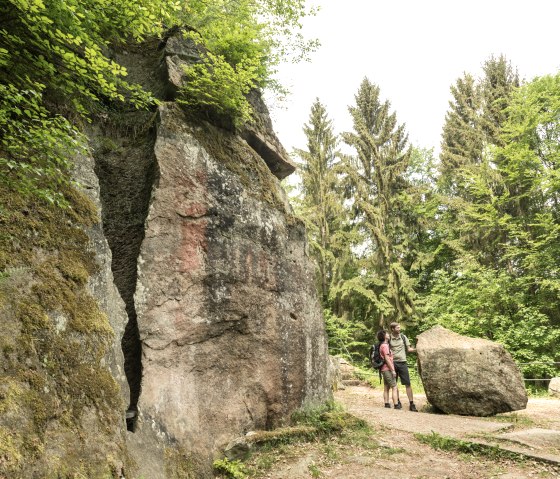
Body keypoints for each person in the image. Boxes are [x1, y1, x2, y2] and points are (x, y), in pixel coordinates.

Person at [389, 322, 418, 412]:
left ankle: (412, 404)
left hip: (403, 363)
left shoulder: (403, 337)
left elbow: (409, 349)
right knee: (394, 384)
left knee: (407, 384)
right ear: (393, 329)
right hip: (392, 363)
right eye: (397, 328)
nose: (399, 329)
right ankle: (397, 401)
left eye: (399, 327)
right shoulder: (389, 338)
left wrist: (418, 348)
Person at [377, 329, 400, 409]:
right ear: (384, 336)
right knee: (394, 386)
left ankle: (386, 403)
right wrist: (393, 370)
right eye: (387, 334)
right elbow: (387, 359)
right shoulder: (385, 346)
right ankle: (396, 405)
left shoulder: (382, 345)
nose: (388, 335)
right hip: (387, 369)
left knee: (386, 387)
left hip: (384, 369)